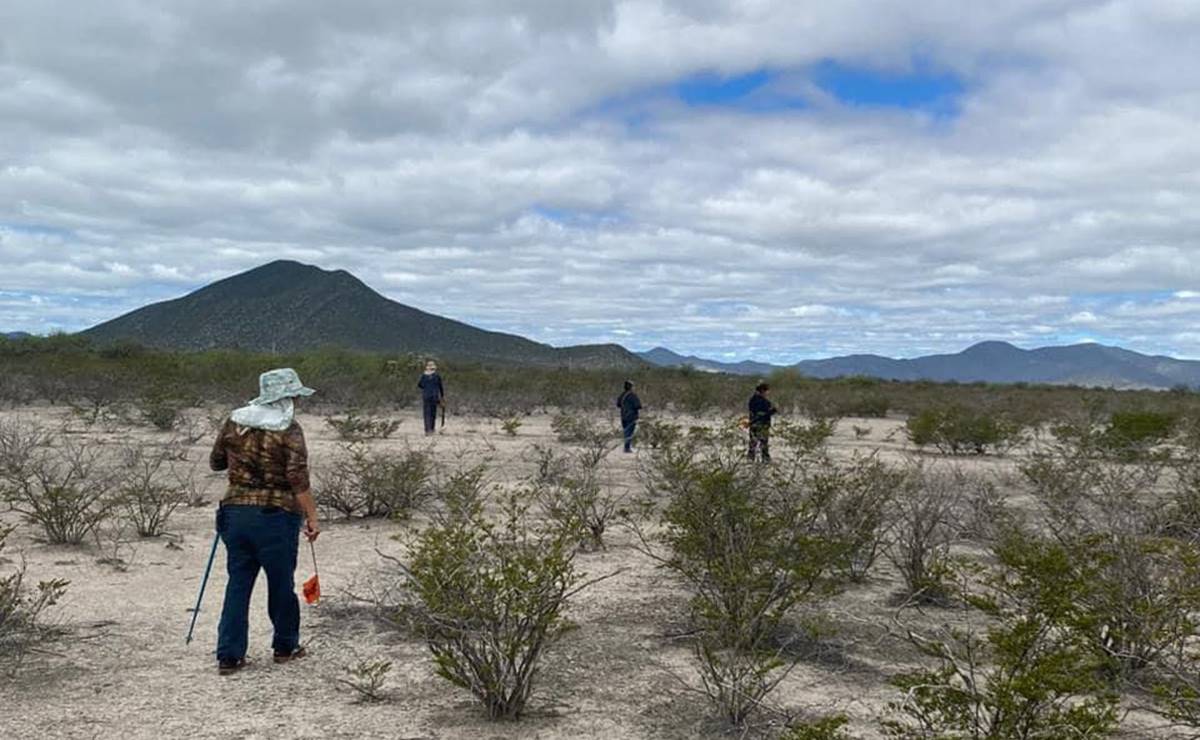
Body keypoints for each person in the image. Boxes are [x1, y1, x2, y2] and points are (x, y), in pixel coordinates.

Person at [209, 368, 321, 676]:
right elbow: (297, 478)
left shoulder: (235, 422)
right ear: (285, 397)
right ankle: (285, 646)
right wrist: (312, 516)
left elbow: (216, 462)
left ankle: (229, 656)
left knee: (239, 582)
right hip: (276, 514)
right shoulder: (289, 428)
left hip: (235, 512)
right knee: (281, 582)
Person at [747, 381, 777, 462]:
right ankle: (765, 459)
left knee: (753, 442)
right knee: (763, 442)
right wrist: (772, 411)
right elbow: (763, 414)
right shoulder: (764, 402)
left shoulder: (752, 400)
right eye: (767, 390)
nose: (767, 393)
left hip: (753, 424)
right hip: (762, 425)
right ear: (763, 391)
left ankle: (751, 458)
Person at [417, 360, 445, 435]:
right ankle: (432, 429)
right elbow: (441, 387)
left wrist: (426, 387)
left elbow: (420, 385)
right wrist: (442, 397)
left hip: (426, 396)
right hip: (434, 396)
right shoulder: (437, 376)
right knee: (433, 413)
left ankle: (427, 430)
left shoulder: (424, 376)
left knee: (427, 413)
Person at [616, 380, 642, 453]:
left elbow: (618, 404)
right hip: (631, 416)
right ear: (631, 387)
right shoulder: (633, 395)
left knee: (626, 432)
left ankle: (626, 447)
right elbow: (638, 406)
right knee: (629, 432)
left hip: (623, 415)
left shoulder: (622, 395)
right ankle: (627, 448)